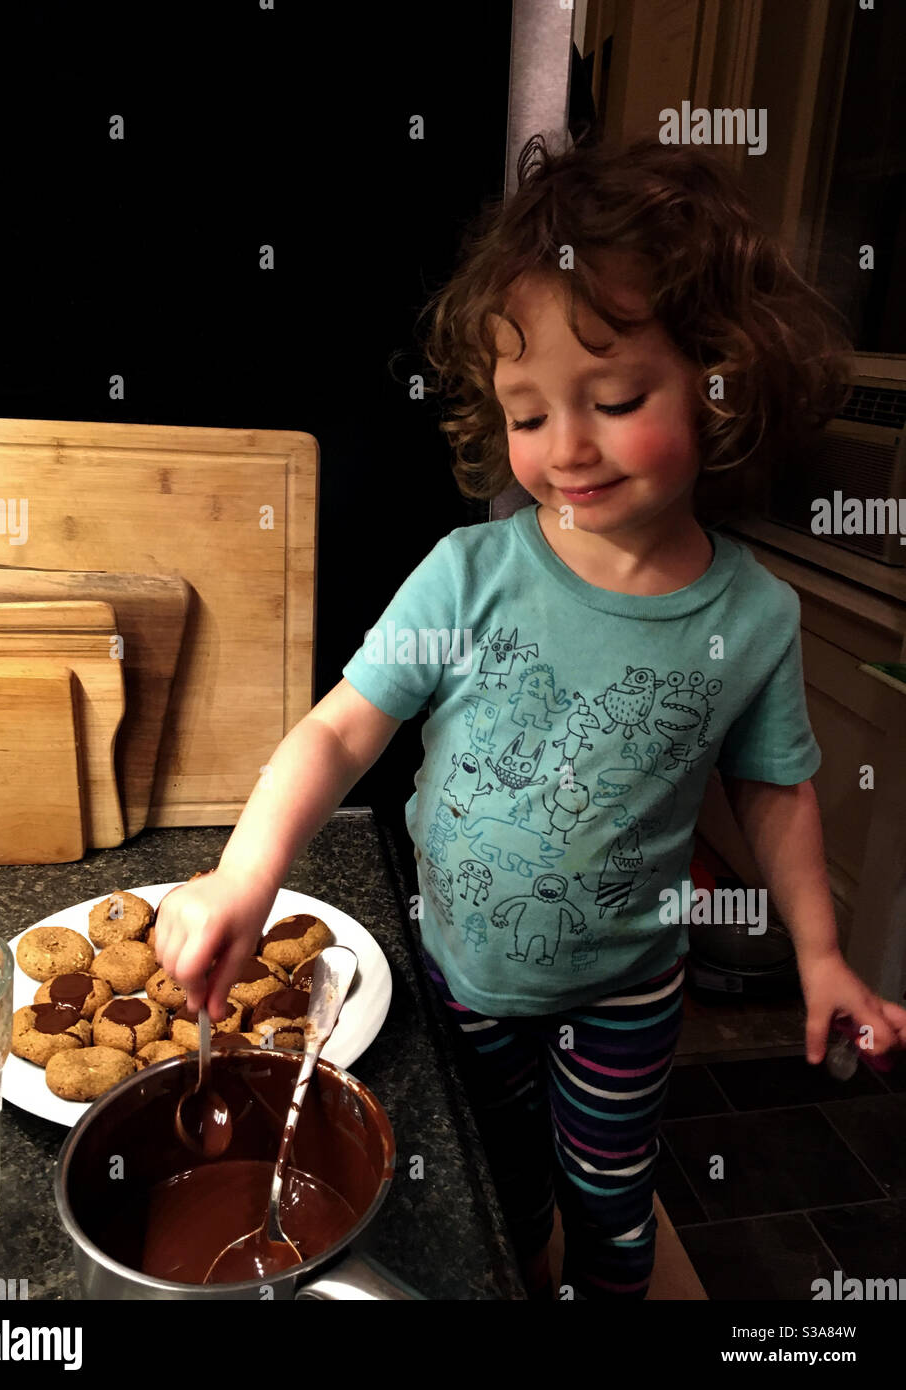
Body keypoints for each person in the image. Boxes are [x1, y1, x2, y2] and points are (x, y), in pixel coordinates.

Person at [155, 132, 906, 1301]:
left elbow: (776, 789)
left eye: (613, 399)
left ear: (721, 380)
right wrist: (242, 877)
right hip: (455, 973)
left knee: (615, 1205)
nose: (566, 449)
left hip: (626, 993)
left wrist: (820, 957)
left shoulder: (755, 616)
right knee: (499, 1189)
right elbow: (341, 730)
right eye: (527, 411)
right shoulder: (468, 574)